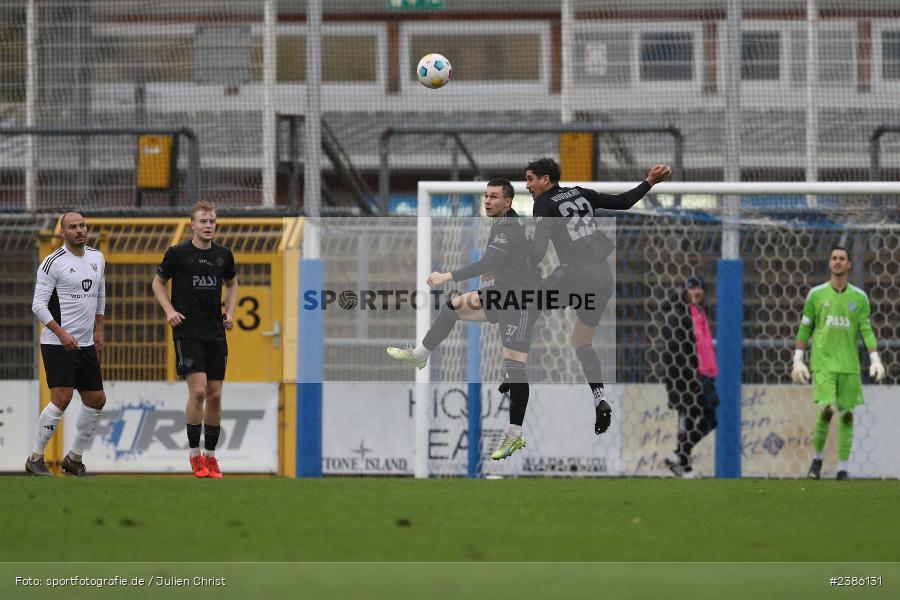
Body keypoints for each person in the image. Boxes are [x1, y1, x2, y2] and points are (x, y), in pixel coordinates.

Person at [386, 178, 542, 461]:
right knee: (454, 306)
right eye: (486, 196)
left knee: (515, 365)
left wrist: (447, 275)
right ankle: (421, 354)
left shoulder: (507, 227)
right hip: (503, 294)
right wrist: (501, 268)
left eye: (494, 197)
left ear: (508, 202)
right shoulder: (506, 223)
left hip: (521, 302)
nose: (487, 201)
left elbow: (486, 262)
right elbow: (517, 256)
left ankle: (515, 434)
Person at [525, 157, 671, 435]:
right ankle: (599, 398)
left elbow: (539, 250)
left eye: (531, 178)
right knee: (582, 340)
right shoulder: (582, 193)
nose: (527, 184)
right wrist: (649, 182)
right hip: (604, 277)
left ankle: (512, 373)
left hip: (575, 273)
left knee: (524, 303)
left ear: (546, 180)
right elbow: (624, 202)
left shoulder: (543, 204)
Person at [152, 201, 238, 478]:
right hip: (187, 332)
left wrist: (231, 312)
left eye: (212, 221)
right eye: (203, 221)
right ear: (193, 225)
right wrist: (170, 311)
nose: (208, 225)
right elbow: (157, 283)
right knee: (198, 392)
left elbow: (233, 283)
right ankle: (194, 454)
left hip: (215, 333)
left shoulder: (224, 255)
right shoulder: (178, 254)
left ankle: (211, 457)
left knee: (215, 395)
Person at [792, 245, 885, 481]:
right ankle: (817, 461)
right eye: (834, 258)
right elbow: (805, 328)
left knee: (847, 416)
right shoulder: (816, 295)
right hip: (823, 362)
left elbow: (865, 328)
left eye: (842, 258)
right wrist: (797, 359)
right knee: (826, 409)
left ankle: (843, 469)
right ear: (829, 263)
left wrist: (875, 358)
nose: (837, 262)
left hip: (849, 365)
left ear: (849, 264)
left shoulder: (859, 298)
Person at [27, 212, 107, 476]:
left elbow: (99, 292)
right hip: (56, 342)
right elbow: (37, 305)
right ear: (63, 233)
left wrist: (99, 328)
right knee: (61, 398)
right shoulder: (52, 263)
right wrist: (61, 333)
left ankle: (74, 458)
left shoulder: (97, 257)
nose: (79, 230)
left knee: (96, 399)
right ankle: (36, 457)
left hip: (85, 343)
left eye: (82, 225)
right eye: (72, 227)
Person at [660, 276, 719, 479]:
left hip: (704, 374)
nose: (697, 292)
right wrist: (688, 378)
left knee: (710, 418)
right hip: (684, 377)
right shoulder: (677, 315)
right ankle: (684, 467)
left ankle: (679, 455)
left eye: (699, 288)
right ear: (685, 292)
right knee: (686, 418)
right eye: (692, 289)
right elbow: (676, 351)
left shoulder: (700, 312)